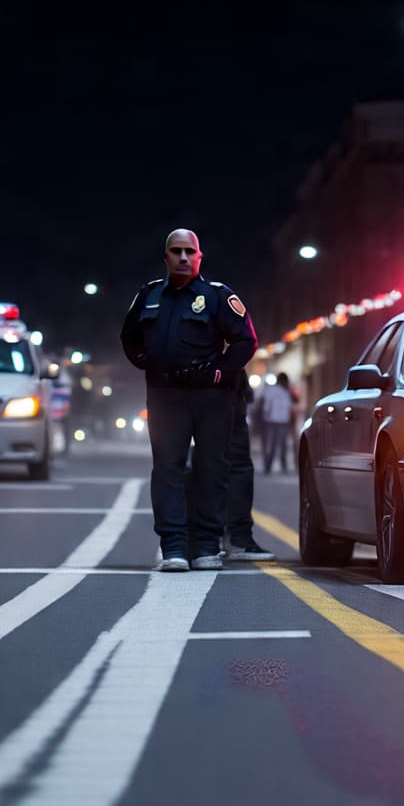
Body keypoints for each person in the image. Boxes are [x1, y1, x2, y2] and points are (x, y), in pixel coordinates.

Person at [120, 227, 257, 572]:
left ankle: (208, 545)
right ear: (165, 257)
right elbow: (129, 336)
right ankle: (174, 547)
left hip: (211, 398)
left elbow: (245, 340)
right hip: (166, 396)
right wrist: (147, 363)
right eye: (176, 251)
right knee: (167, 469)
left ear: (199, 257)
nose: (183, 257)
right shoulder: (149, 295)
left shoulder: (217, 296)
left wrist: (222, 373)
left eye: (189, 252)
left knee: (212, 469)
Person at [220, 368, 275, 560]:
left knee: (208, 463)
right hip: (223, 386)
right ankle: (234, 538)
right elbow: (245, 340)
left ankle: (205, 540)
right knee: (235, 466)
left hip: (219, 385)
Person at [258, 374, 296, 473]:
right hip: (280, 421)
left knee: (272, 445)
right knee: (280, 445)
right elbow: (289, 407)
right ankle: (281, 467)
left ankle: (268, 467)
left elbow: (266, 406)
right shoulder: (285, 392)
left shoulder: (272, 391)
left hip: (272, 421)